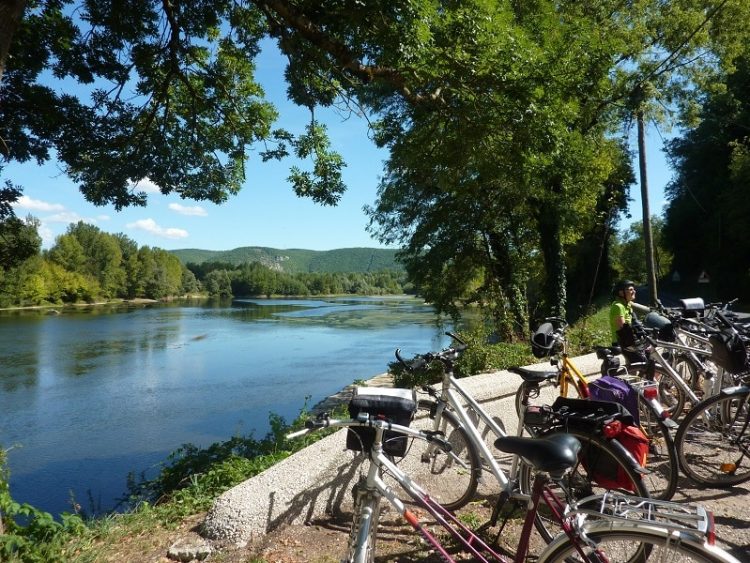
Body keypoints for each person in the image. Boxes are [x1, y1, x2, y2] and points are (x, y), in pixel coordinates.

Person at [609, 279, 647, 365]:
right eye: (630, 289)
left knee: (639, 362)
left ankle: (635, 376)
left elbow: (634, 322)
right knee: (643, 363)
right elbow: (623, 328)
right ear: (621, 293)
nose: (634, 291)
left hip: (629, 340)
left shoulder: (627, 305)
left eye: (633, 289)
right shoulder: (618, 306)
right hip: (622, 341)